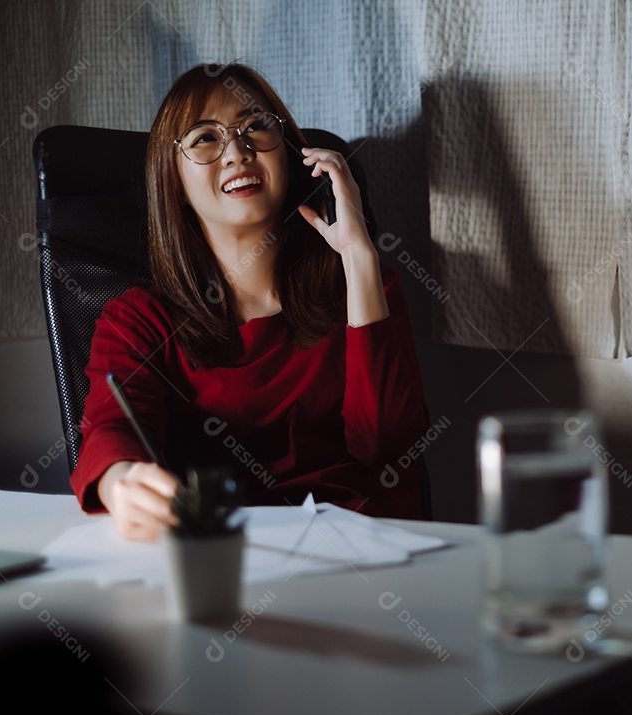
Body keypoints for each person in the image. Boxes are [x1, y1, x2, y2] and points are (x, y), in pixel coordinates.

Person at [68, 63, 429, 541]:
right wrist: (122, 477)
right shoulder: (137, 320)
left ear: (290, 156)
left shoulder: (364, 288)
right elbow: (112, 426)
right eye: (204, 138)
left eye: (256, 127)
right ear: (173, 181)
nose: (238, 152)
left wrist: (359, 256)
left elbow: (385, 447)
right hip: (225, 551)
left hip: (363, 550)